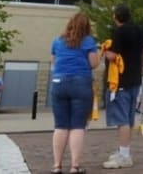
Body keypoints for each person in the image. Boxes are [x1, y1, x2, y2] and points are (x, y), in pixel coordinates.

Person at [49, 13, 99, 174]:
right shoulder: (88, 41)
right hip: (80, 83)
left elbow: (54, 62)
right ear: (87, 27)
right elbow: (93, 63)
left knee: (60, 125)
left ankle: (57, 165)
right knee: (78, 126)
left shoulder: (57, 41)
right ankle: (74, 166)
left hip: (59, 83)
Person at [103, 4, 143, 169]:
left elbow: (113, 55)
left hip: (120, 81)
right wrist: (141, 69)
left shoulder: (119, 32)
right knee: (129, 119)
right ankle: (124, 150)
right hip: (135, 80)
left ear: (115, 16)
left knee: (121, 119)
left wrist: (104, 50)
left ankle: (124, 156)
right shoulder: (139, 30)